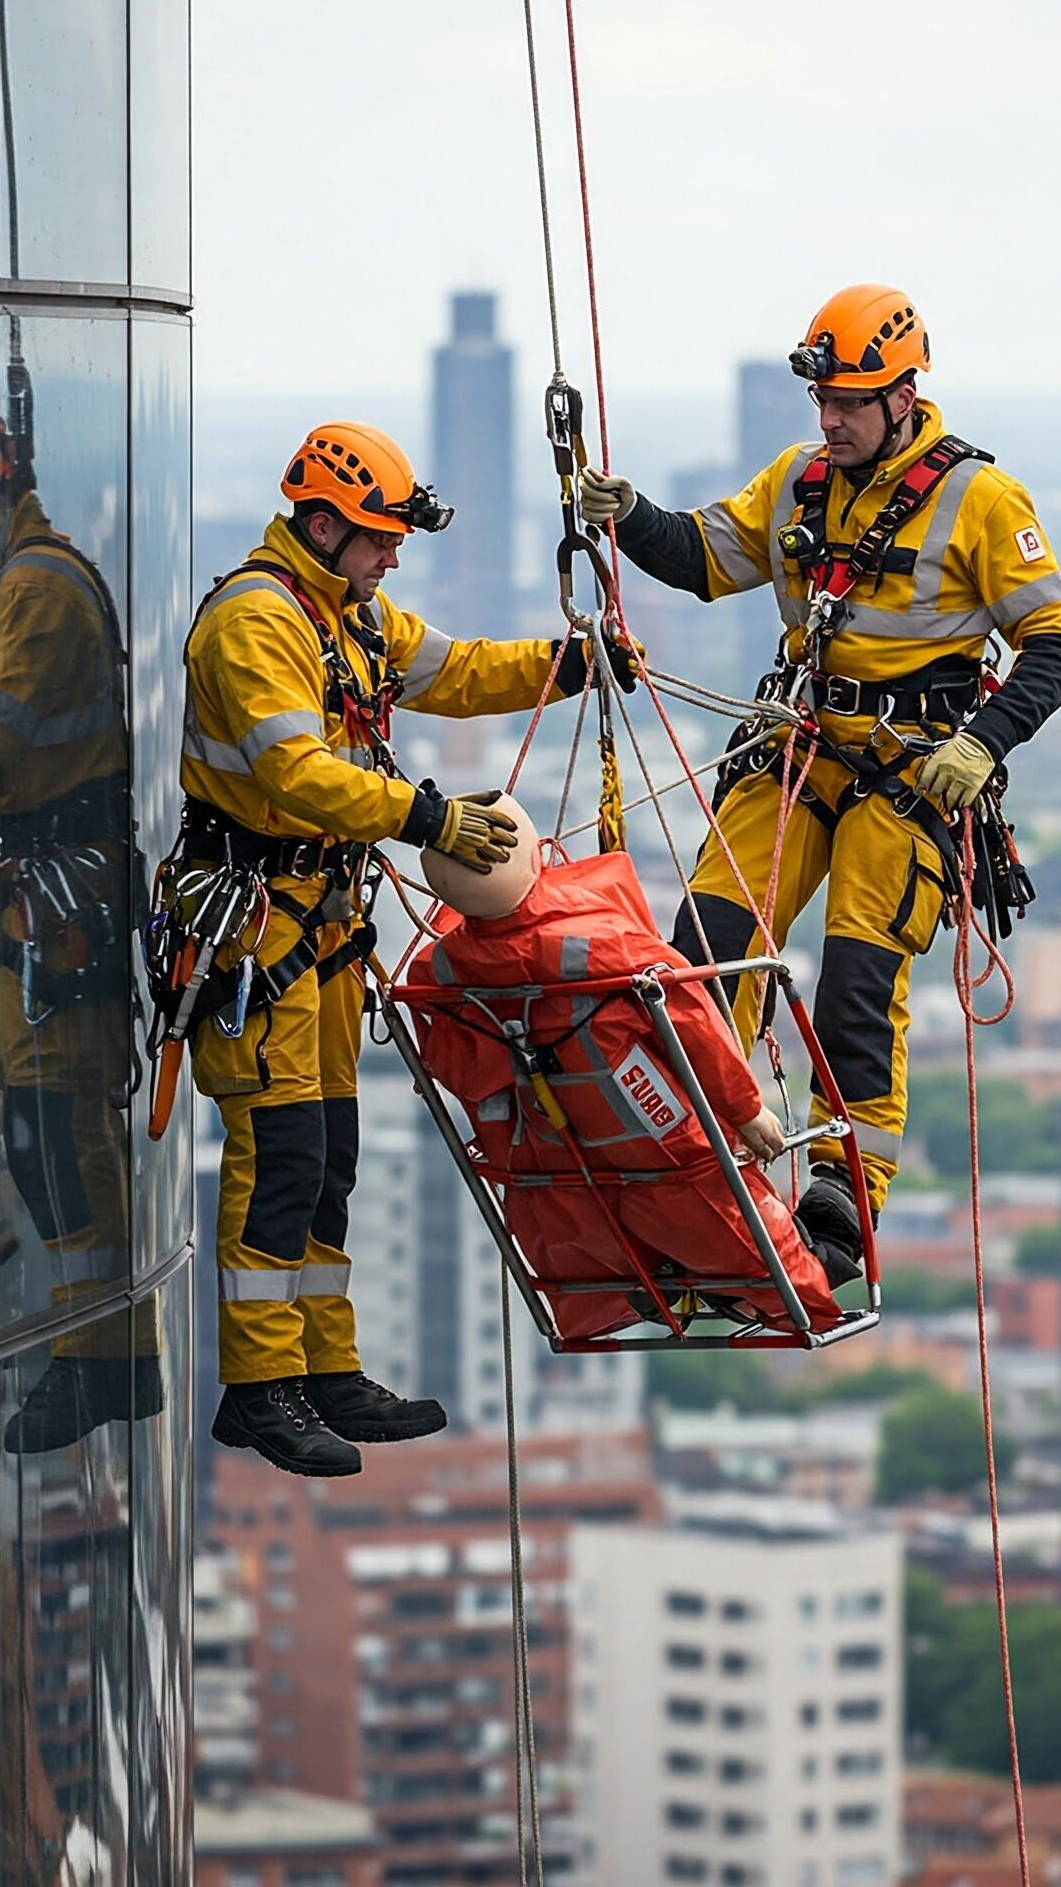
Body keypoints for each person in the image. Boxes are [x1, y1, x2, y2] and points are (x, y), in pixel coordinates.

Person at [579, 285, 1061, 1264]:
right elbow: (702, 557)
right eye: (824, 402)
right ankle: (698, 1162)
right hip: (800, 755)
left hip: (908, 778)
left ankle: (839, 1199)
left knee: (856, 980)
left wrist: (981, 740)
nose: (831, 420)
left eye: (850, 402)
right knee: (703, 951)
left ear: (904, 393)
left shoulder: (979, 500)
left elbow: (1057, 644)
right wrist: (630, 514)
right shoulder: (797, 481)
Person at [180, 420, 634, 1478]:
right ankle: (257, 1388)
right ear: (326, 523)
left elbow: (458, 669)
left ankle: (324, 1367)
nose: (393, 556)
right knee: (278, 1159)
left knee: (327, 1152)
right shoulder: (256, 624)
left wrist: (568, 665)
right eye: (380, 538)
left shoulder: (351, 612)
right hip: (259, 924)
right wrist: (424, 817)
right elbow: (294, 773)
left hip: (315, 928)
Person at [408, 794, 842, 1342]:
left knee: (619, 1226)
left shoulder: (438, 974)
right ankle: (774, 1282)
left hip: (553, 1168)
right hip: (658, 1143)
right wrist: (748, 1110)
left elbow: (455, 1069)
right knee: (749, 1240)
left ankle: (664, 1283)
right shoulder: (604, 945)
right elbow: (693, 1025)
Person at [0, 417, 155, 1451]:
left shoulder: (31, 587)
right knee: (54, 1137)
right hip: (48, 894)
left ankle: (96, 1362)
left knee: (57, 1138)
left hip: (59, 896)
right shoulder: (13, 578)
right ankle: (104, 1359)